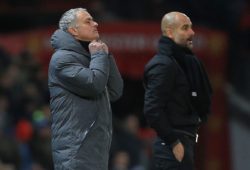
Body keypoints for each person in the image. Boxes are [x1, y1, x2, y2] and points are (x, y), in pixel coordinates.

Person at [48, 8, 123, 170]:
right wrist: (99, 56)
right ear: (73, 30)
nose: (95, 23)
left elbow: (115, 91)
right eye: (88, 21)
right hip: (75, 152)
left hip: (94, 150)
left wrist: (106, 55)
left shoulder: (90, 55)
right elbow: (94, 85)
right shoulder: (62, 59)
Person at [143, 11, 212, 170]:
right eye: (185, 28)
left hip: (184, 142)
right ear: (169, 32)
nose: (192, 32)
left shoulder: (182, 63)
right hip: (171, 146)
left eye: (191, 27)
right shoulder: (163, 65)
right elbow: (152, 109)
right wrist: (174, 142)